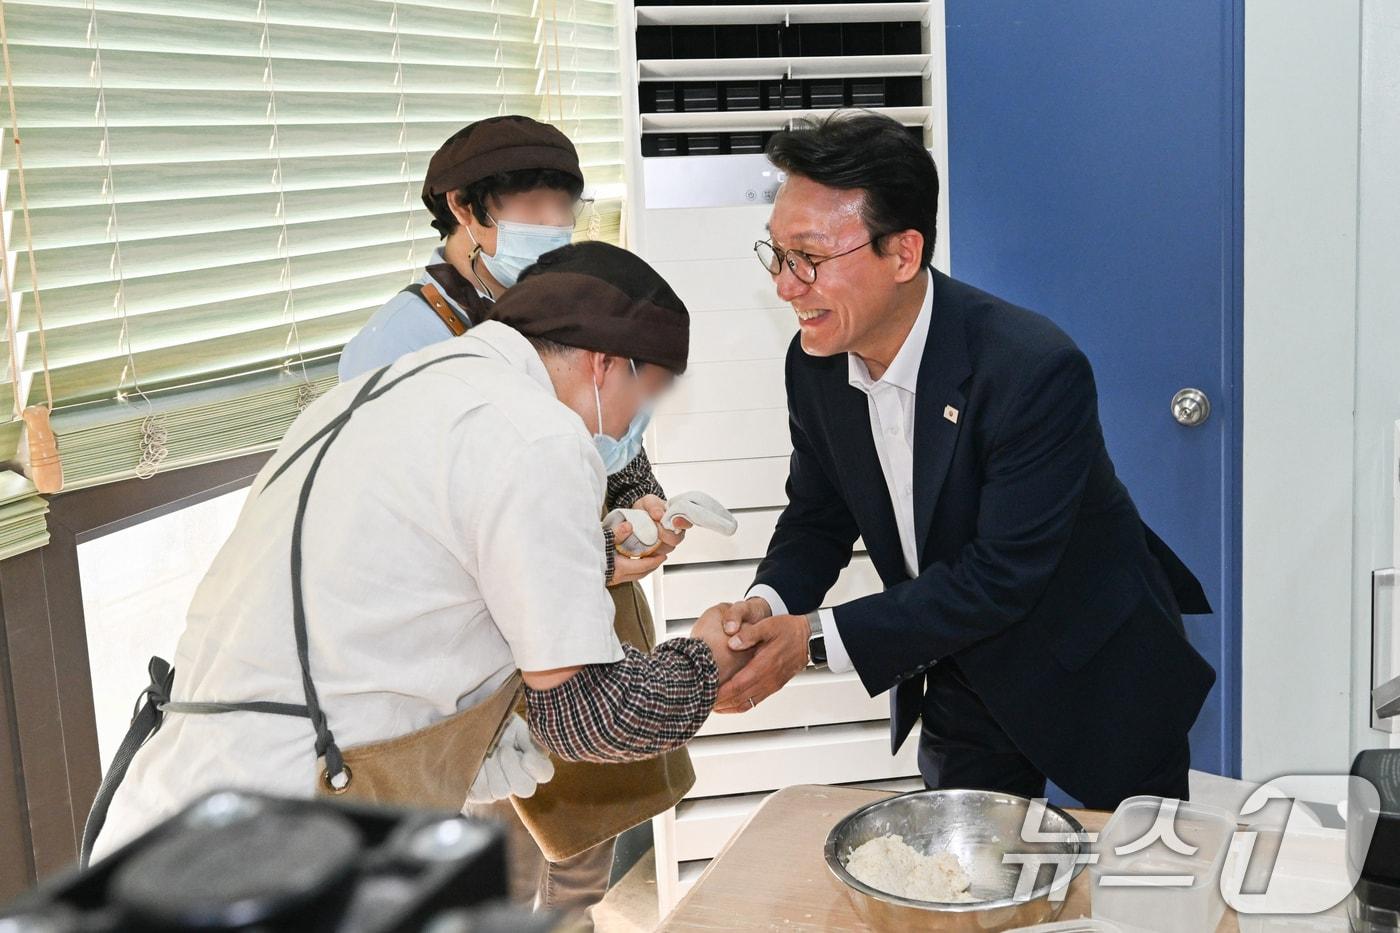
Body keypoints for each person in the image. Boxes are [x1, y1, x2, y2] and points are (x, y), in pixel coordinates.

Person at [85, 244, 745, 922]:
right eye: (650, 392)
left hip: (172, 814)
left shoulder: (376, 393)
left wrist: (591, 559)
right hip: (283, 835)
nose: (640, 422)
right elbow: (588, 716)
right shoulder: (539, 436)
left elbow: (411, 578)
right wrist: (704, 664)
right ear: (607, 363)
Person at [705, 112, 1216, 809]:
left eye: (810, 258)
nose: (785, 286)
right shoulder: (816, 363)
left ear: (903, 253)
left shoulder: (1032, 370)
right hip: (957, 667)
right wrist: (766, 609)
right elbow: (818, 516)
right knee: (965, 891)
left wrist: (814, 642)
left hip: (1094, 666)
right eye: (776, 255)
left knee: (1142, 887)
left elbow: (1000, 575)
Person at [339, 117, 688, 921]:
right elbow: (421, 541)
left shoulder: (571, 308)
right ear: (464, 209)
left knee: (585, 840)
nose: (552, 226)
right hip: (479, 643)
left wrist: (642, 505)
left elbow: (617, 440)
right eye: (531, 205)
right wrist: (589, 560)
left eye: (563, 206)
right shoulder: (400, 345)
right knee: (501, 838)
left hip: (582, 604)